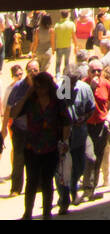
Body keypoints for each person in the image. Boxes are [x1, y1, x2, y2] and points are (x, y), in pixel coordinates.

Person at [11, 70, 70, 220]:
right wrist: (26, 95)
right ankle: (27, 213)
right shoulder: (31, 101)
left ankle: (46, 213)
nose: (40, 90)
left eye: (42, 87)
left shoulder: (57, 101)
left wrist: (64, 142)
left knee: (47, 181)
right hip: (31, 147)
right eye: (36, 87)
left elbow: (66, 122)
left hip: (50, 147)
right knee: (31, 181)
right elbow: (14, 113)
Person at [55, 62, 95, 213]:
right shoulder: (59, 90)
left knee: (81, 164)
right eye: (68, 81)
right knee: (61, 170)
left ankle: (73, 187)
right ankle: (64, 199)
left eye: (73, 82)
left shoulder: (84, 89)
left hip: (79, 135)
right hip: (63, 137)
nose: (70, 85)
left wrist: (84, 118)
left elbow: (91, 109)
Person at [2, 61, 36, 197]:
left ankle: (36, 186)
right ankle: (16, 188)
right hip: (20, 129)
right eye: (31, 70)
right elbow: (8, 108)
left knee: (36, 159)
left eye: (36, 70)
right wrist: (3, 129)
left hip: (37, 129)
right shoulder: (17, 87)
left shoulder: (43, 85)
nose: (33, 73)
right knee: (18, 159)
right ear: (27, 73)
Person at [83, 59, 110, 199]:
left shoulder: (106, 84)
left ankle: (92, 188)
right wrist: (91, 87)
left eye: (99, 71)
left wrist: (103, 113)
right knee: (89, 156)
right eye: (93, 71)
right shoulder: (83, 84)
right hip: (87, 125)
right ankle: (87, 187)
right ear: (88, 72)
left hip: (101, 125)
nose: (96, 73)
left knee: (98, 156)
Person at [53, 11, 75, 77]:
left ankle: (57, 75)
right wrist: (76, 45)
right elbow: (74, 36)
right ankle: (66, 75)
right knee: (67, 62)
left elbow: (54, 37)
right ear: (68, 15)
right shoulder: (71, 24)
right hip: (67, 45)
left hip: (59, 46)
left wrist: (53, 47)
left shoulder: (57, 25)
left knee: (58, 63)